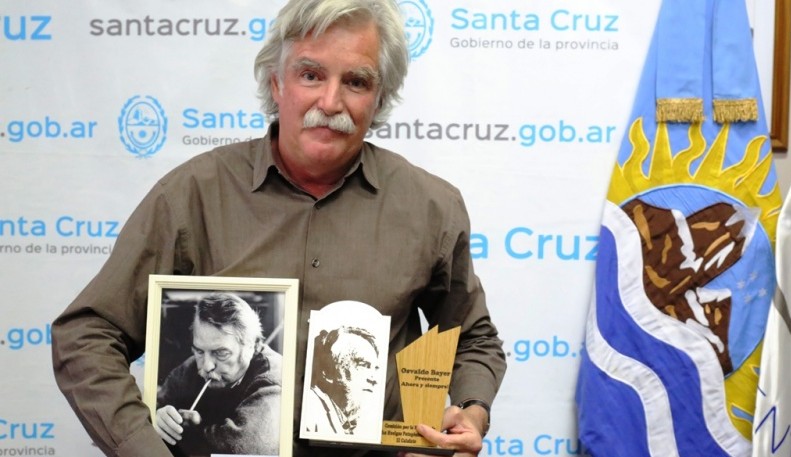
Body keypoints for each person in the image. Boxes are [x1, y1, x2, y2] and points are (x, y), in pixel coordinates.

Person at [51, 0, 507, 456]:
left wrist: (471, 410)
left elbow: (473, 337)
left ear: (380, 97)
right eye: (311, 75)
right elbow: (87, 334)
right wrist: (142, 445)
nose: (330, 103)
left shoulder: (431, 207)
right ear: (276, 83)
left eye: (356, 81)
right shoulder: (192, 195)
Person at [155, 292, 282, 456]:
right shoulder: (194, 365)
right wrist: (159, 418)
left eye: (221, 353)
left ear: (253, 345)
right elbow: (151, 409)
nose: (207, 366)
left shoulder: (273, 379)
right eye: (199, 351)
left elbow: (240, 448)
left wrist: (186, 432)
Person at [305, 326, 381, 436]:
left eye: (376, 368)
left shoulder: (356, 422)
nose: (374, 379)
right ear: (327, 371)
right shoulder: (310, 412)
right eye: (363, 365)